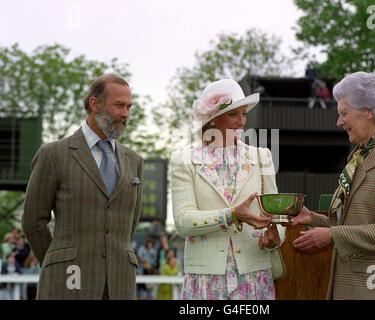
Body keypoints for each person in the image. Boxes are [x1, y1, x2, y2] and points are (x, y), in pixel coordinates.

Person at [287, 72, 375, 300]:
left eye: (344, 113)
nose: (339, 122)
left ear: (368, 111)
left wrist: (330, 236)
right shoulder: (357, 159)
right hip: (353, 287)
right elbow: (348, 223)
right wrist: (313, 219)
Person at [22, 74, 144, 300]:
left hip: (120, 284)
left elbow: (130, 224)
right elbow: (32, 220)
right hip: (66, 283)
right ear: (95, 104)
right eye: (119, 105)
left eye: (129, 107)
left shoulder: (134, 161)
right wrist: (56, 261)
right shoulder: (53, 154)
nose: (126, 114)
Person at [171, 79, 285, 300]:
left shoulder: (261, 157)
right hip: (206, 281)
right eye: (234, 114)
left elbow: (276, 213)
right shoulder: (184, 160)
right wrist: (231, 215)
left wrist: (274, 236)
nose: (242, 122)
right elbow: (183, 221)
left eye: (244, 114)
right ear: (212, 120)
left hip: (254, 277)